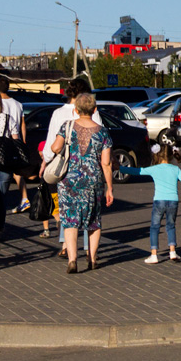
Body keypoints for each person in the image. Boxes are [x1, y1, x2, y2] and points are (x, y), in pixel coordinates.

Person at [47, 91, 113, 273]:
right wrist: (110, 188)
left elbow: (55, 147)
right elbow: (106, 163)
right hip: (93, 180)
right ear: (95, 109)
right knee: (94, 220)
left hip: (69, 180)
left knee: (70, 220)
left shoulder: (67, 126)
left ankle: (72, 260)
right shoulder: (103, 132)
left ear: (76, 110)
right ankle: (91, 259)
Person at [122, 144, 181, 263]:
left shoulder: (155, 169)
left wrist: (118, 168)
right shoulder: (175, 169)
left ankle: (154, 254)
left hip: (159, 201)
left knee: (155, 227)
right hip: (173, 201)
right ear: (171, 155)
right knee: (171, 225)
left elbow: (137, 171)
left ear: (157, 154)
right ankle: (172, 252)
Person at [0, 77, 31, 228]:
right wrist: (21, 145)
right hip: (6, 155)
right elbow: (19, 130)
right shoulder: (17, 106)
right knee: (2, 196)